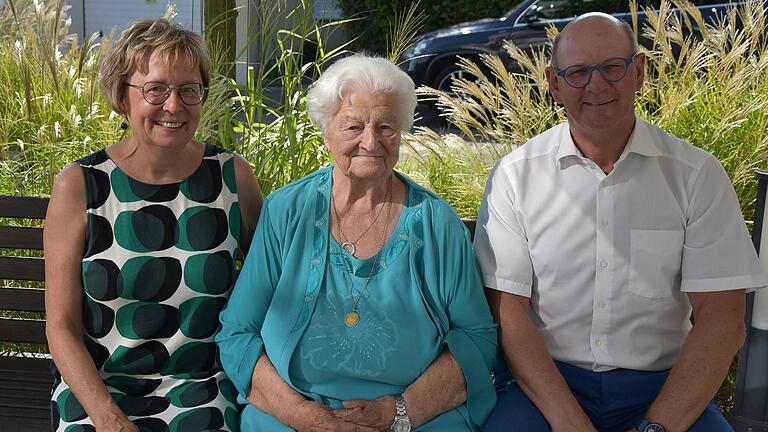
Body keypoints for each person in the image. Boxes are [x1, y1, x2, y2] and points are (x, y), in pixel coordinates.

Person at [475, 13, 767, 432]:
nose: (596, 85)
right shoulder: (515, 176)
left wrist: (655, 427)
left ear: (640, 72)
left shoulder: (696, 175)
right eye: (576, 73)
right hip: (545, 388)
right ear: (555, 85)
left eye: (612, 67)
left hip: (662, 389)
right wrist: (570, 423)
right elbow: (508, 311)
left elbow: (722, 317)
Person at [215, 54, 497, 432]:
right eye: (353, 126)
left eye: (386, 126)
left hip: (415, 419)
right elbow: (238, 333)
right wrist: (305, 416)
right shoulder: (286, 211)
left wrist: (400, 414)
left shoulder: (437, 224)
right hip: (293, 416)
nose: (371, 141)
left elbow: (475, 337)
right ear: (326, 131)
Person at [44, 18, 262, 431]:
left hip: (202, 384)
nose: (174, 105)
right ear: (122, 97)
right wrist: (109, 419)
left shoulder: (233, 178)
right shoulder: (80, 186)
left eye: (188, 90)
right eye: (156, 89)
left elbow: (269, 289)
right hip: (99, 387)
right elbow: (62, 326)